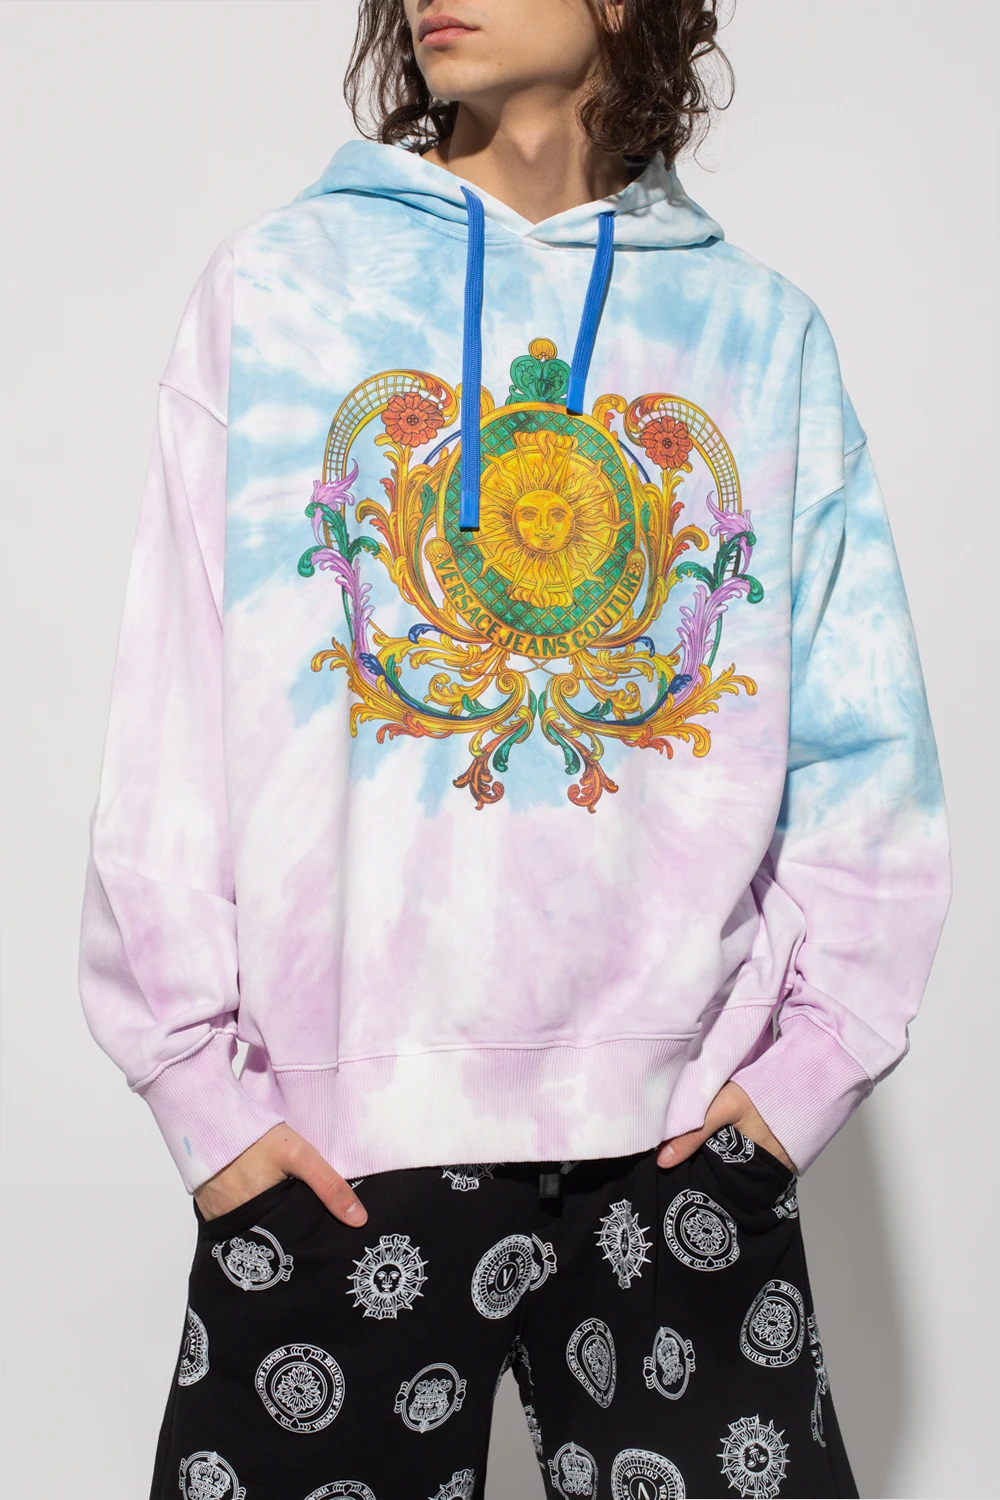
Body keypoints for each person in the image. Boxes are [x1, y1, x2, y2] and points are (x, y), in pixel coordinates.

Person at [79, 2, 952, 1497]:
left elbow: (868, 754)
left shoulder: (760, 336)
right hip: (340, 1148)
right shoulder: (279, 292)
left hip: (679, 1142)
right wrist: (203, 1101)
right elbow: (169, 714)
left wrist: (801, 1079)